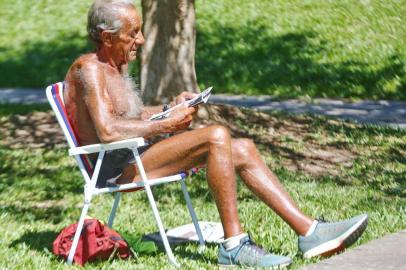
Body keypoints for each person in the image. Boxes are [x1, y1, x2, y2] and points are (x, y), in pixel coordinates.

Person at [64, 0, 368, 268]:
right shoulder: (89, 69)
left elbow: (129, 117)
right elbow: (108, 130)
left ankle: (309, 232)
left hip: (134, 158)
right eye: (133, 33)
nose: (140, 40)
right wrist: (165, 125)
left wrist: (170, 107)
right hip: (118, 170)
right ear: (107, 37)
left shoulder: (112, 65)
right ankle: (234, 245)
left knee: (244, 148)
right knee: (216, 135)